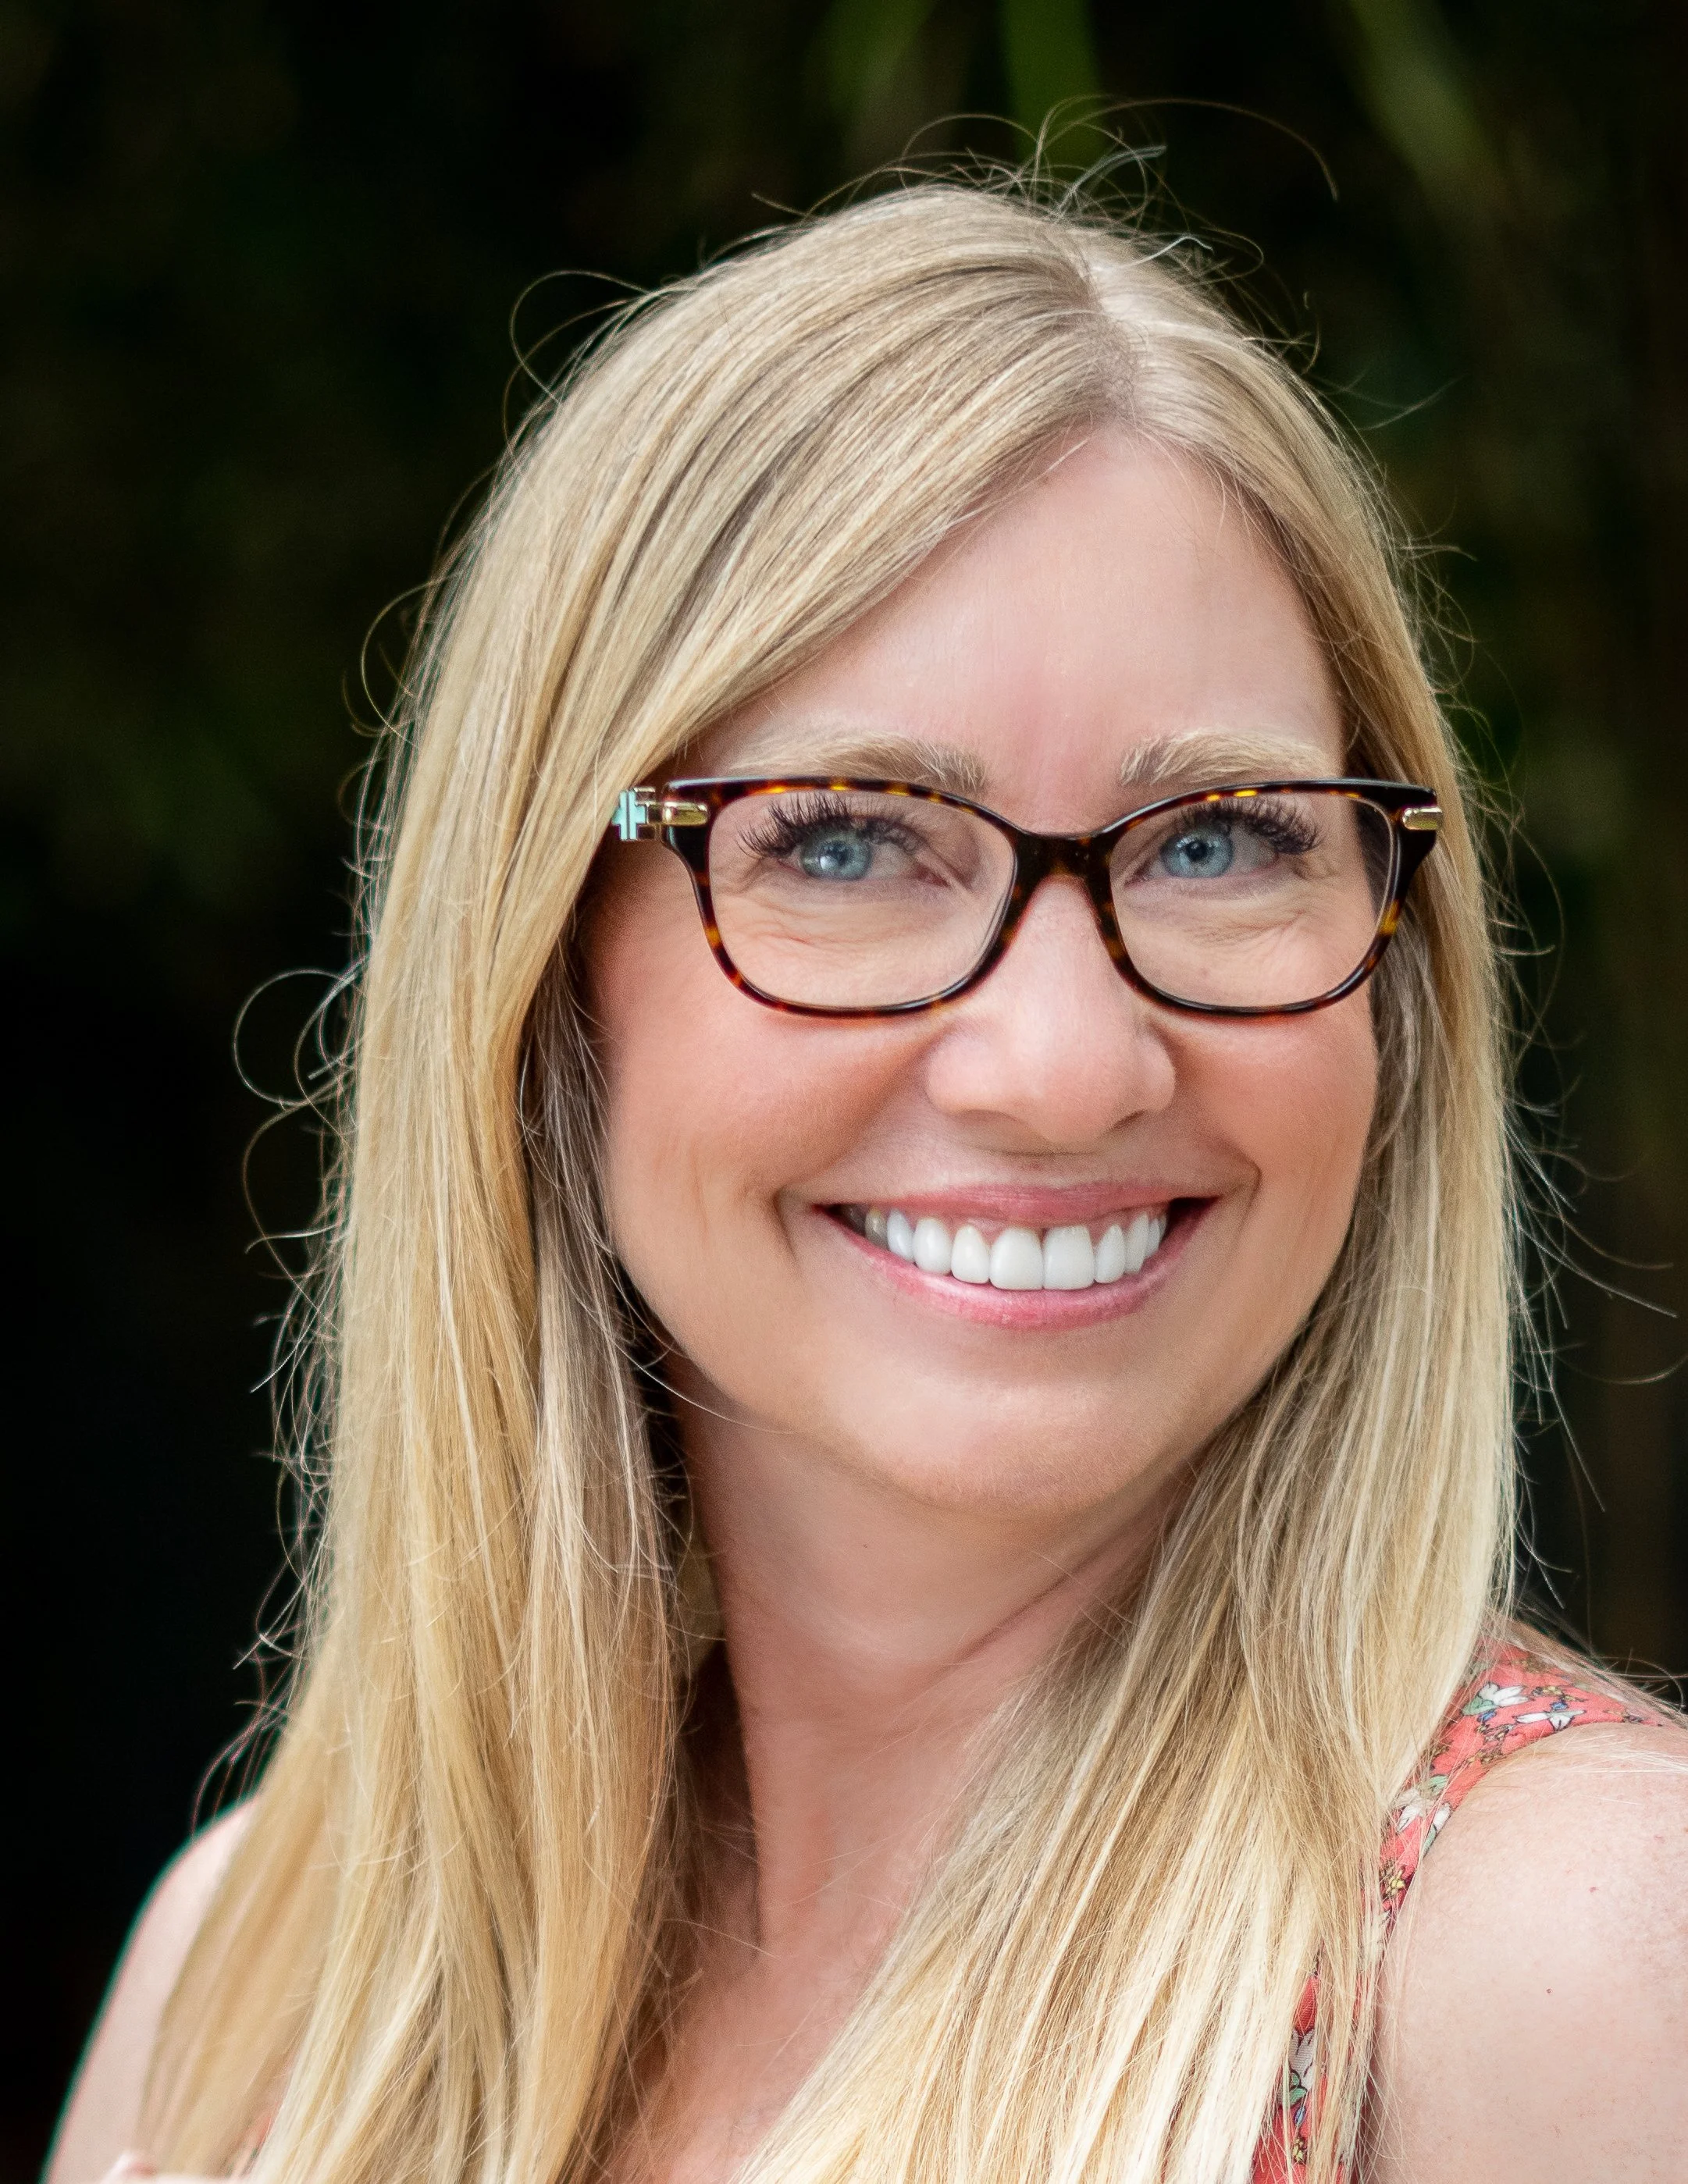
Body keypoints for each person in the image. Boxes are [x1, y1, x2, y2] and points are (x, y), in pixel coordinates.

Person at [47, 181, 1688, 2184]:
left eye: (1220, 838)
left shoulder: (1570, 1960)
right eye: (842, 842)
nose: (1068, 1064)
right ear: (549, 975)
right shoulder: (257, 1985)